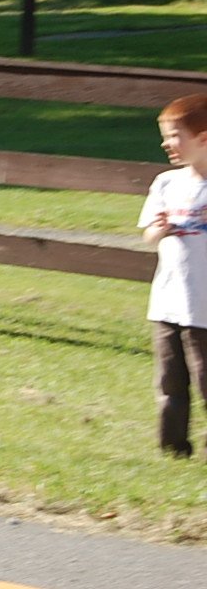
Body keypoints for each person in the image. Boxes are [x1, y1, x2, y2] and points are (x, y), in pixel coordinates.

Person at [140, 93, 207, 457]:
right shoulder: (166, 184)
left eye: (175, 135)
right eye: (165, 136)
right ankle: (173, 449)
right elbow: (149, 234)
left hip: (205, 307)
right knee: (170, 382)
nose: (167, 144)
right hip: (168, 303)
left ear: (204, 138)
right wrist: (160, 229)